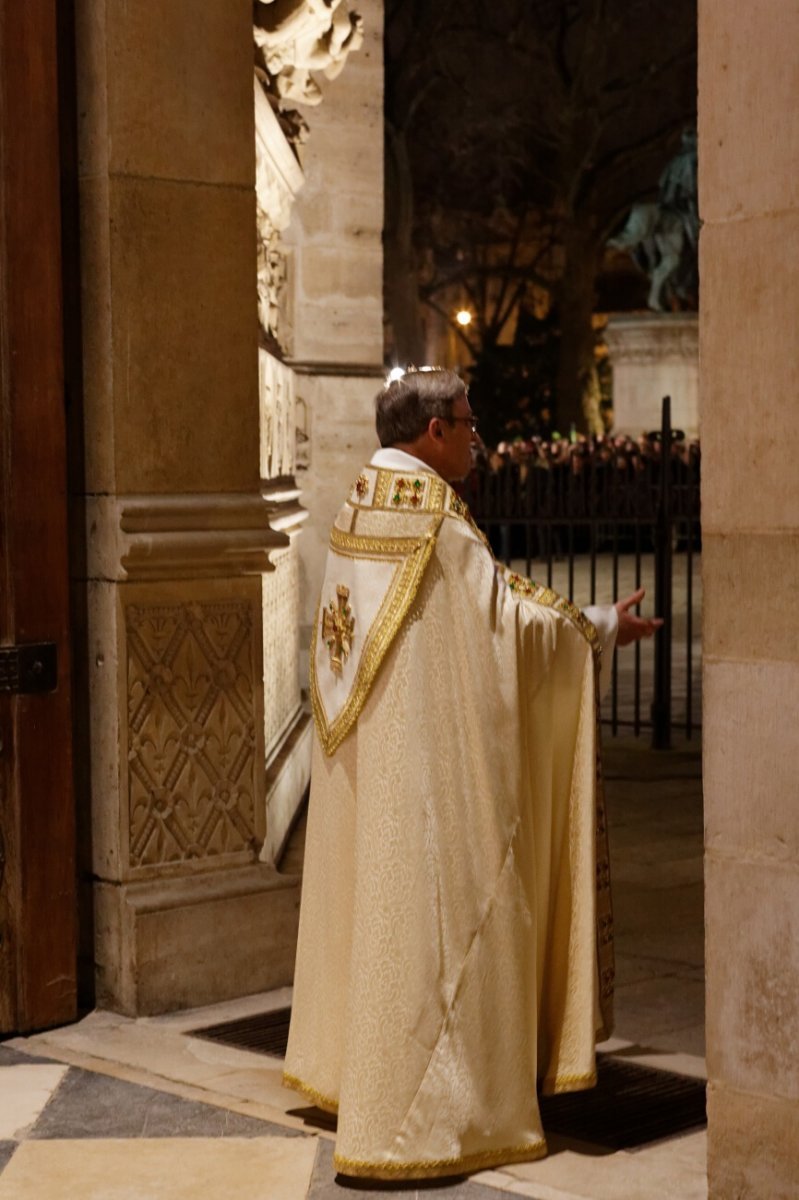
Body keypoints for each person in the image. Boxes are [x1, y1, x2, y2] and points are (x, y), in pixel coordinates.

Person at [283, 368, 661, 1181]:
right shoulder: (435, 522)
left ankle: (357, 1078)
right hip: (427, 780)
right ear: (431, 434)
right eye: (466, 423)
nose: (475, 438)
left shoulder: (361, 498)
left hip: (373, 766)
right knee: (437, 926)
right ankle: (425, 1114)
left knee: (375, 916)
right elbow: (506, 626)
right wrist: (599, 628)